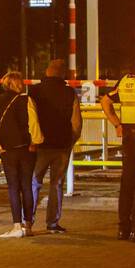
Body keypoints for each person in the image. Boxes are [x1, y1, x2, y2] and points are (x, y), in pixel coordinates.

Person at [0, 70, 44, 239]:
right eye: (20, 82)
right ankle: (28, 225)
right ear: (15, 84)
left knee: (13, 187)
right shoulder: (26, 100)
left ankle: (16, 225)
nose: (22, 84)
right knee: (26, 185)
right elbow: (34, 123)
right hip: (27, 149)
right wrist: (35, 142)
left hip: (7, 150)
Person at [28, 59, 81, 234]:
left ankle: (27, 221)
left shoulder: (34, 91)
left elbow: (30, 118)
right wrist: (71, 141)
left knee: (34, 182)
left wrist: (33, 140)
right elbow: (76, 122)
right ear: (63, 74)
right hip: (62, 146)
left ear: (47, 72)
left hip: (39, 146)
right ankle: (52, 223)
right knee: (56, 184)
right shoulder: (69, 93)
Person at [100, 50, 135, 241]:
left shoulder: (125, 80)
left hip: (129, 137)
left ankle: (123, 228)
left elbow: (105, 100)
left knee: (128, 182)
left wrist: (117, 124)